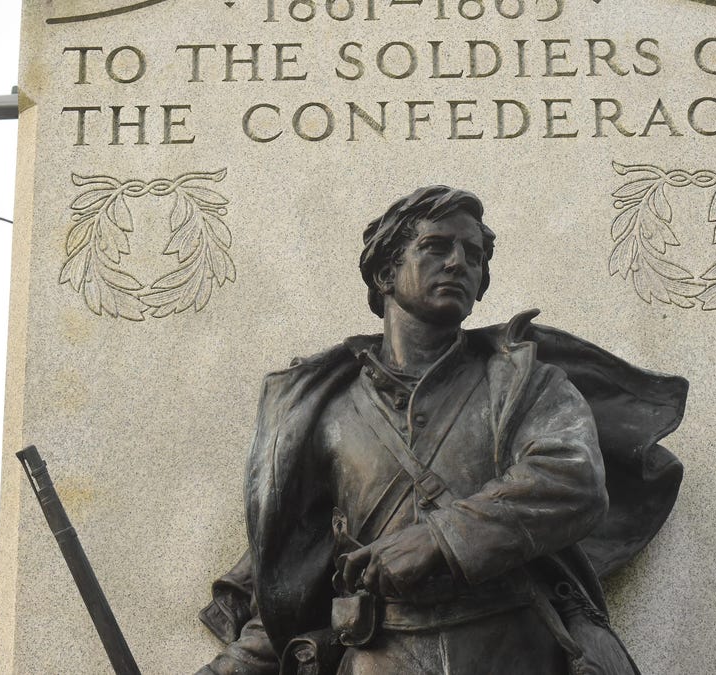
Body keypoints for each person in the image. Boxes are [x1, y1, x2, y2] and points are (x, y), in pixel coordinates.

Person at [201, 186, 687, 675]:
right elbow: (296, 585)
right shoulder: (325, 413)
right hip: (380, 658)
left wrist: (440, 538)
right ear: (385, 272)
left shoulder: (524, 381)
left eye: (472, 255)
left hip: (513, 649)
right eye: (436, 247)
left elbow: (574, 479)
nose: (458, 263)